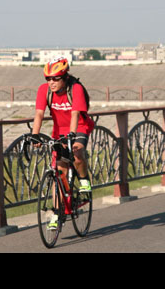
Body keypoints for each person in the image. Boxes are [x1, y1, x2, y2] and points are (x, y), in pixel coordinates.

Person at [31, 57, 95, 229]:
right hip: (58, 132)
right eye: (48, 79)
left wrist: (72, 136)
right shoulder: (44, 91)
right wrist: (34, 135)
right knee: (59, 173)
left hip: (79, 127)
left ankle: (84, 181)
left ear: (65, 77)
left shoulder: (76, 89)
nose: (51, 82)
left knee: (77, 152)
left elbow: (75, 114)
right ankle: (57, 213)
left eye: (55, 79)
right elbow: (39, 114)